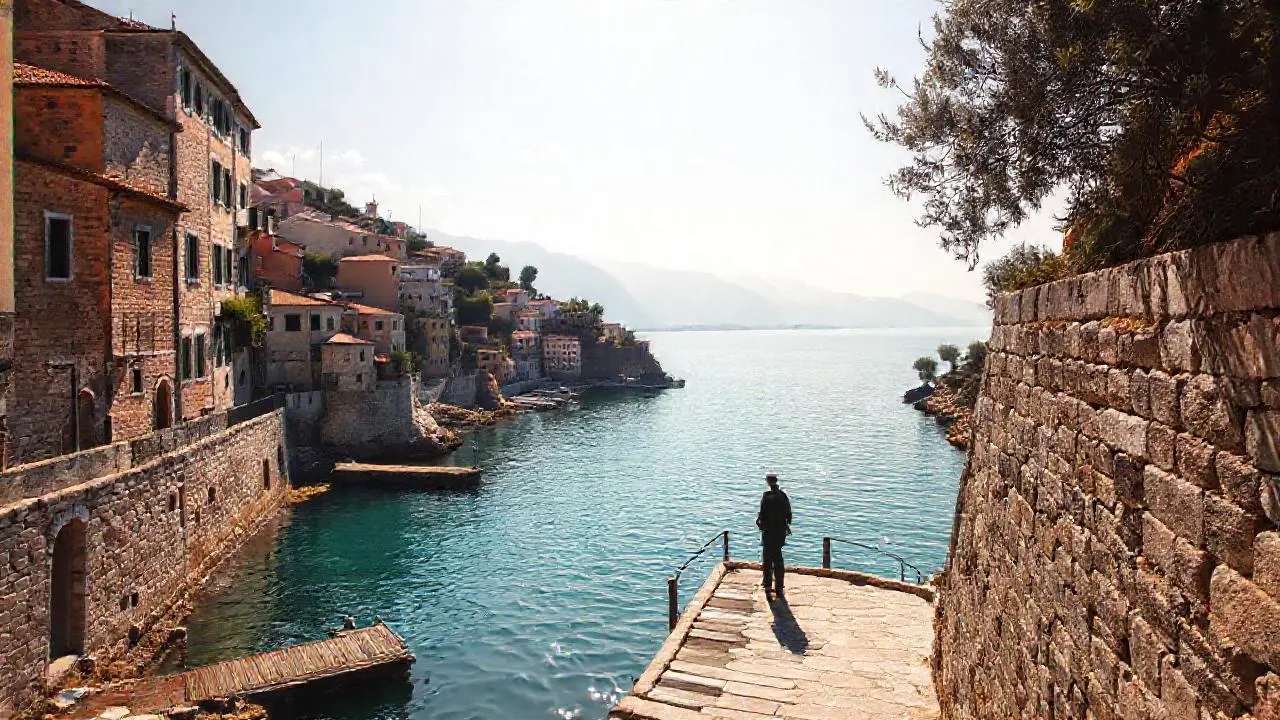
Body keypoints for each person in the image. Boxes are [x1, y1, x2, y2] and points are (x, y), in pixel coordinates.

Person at [756, 473, 792, 597]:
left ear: (768, 482)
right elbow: (789, 515)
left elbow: (762, 514)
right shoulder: (783, 495)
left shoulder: (766, 496)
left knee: (767, 559)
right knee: (778, 558)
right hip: (780, 532)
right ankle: (779, 587)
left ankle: (767, 585)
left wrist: (760, 523)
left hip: (768, 531)